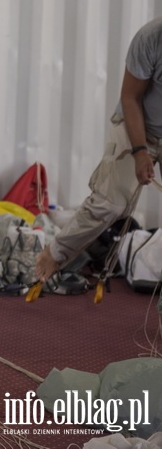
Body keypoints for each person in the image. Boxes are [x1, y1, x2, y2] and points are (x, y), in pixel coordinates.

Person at [36, 17, 162, 282]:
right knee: (110, 204)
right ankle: (55, 253)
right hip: (139, 125)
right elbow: (130, 97)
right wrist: (140, 152)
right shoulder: (151, 38)